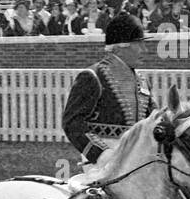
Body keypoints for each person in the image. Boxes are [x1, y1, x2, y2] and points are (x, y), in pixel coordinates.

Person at [61, 13, 154, 165]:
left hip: (138, 160)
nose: (145, 50)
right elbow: (72, 123)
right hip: (103, 162)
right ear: (120, 48)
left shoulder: (142, 80)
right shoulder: (93, 76)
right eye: (139, 44)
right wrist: (101, 154)